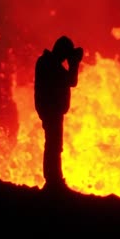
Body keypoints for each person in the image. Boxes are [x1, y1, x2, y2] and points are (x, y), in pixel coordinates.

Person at [34, 35, 84, 191]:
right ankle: (53, 180)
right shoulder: (49, 64)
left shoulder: (48, 62)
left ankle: (54, 179)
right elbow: (72, 81)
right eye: (66, 53)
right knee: (53, 145)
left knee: (54, 145)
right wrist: (74, 63)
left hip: (51, 110)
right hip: (51, 110)